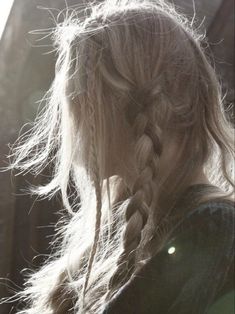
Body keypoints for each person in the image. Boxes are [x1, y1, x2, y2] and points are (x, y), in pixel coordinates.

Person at [8, 0, 234, 313]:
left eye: (79, 101)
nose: (69, 126)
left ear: (124, 105)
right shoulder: (123, 225)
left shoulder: (214, 229)